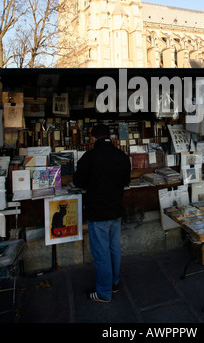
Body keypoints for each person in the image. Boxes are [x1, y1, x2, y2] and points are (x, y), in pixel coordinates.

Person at [73, 123, 131, 302]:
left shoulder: (89, 157)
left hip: (97, 212)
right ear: (110, 137)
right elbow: (126, 181)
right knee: (114, 248)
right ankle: (114, 283)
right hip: (116, 209)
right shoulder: (122, 156)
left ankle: (104, 292)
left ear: (92, 138)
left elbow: (79, 182)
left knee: (101, 253)